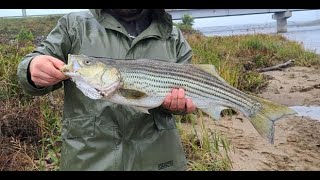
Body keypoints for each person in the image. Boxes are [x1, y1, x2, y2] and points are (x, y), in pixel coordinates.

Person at [17, 9, 196, 171]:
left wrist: (178, 106)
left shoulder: (173, 36)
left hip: (158, 159)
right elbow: (35, 60)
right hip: (89, 160)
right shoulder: (75, 25)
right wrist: (32, 68)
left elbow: (191, 92)